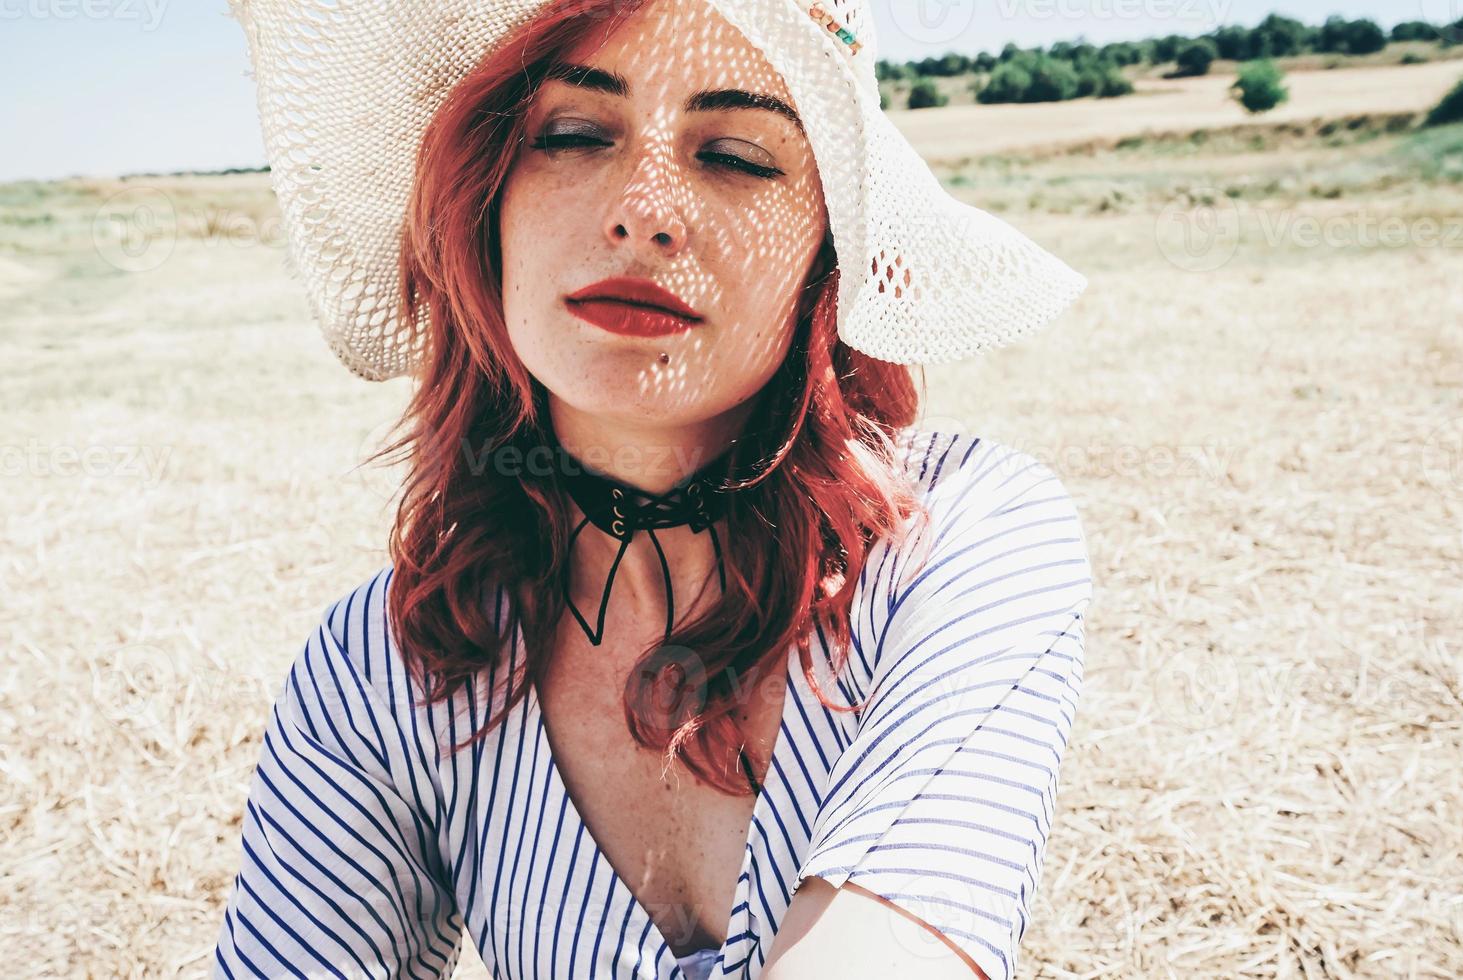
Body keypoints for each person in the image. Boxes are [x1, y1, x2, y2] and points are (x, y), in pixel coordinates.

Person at [214, 1, 1094, 979]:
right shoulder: (377, 675)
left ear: (829, 252)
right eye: (578, 134)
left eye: (740, 155)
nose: (644, 208)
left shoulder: (959, 540)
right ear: (484, 203)